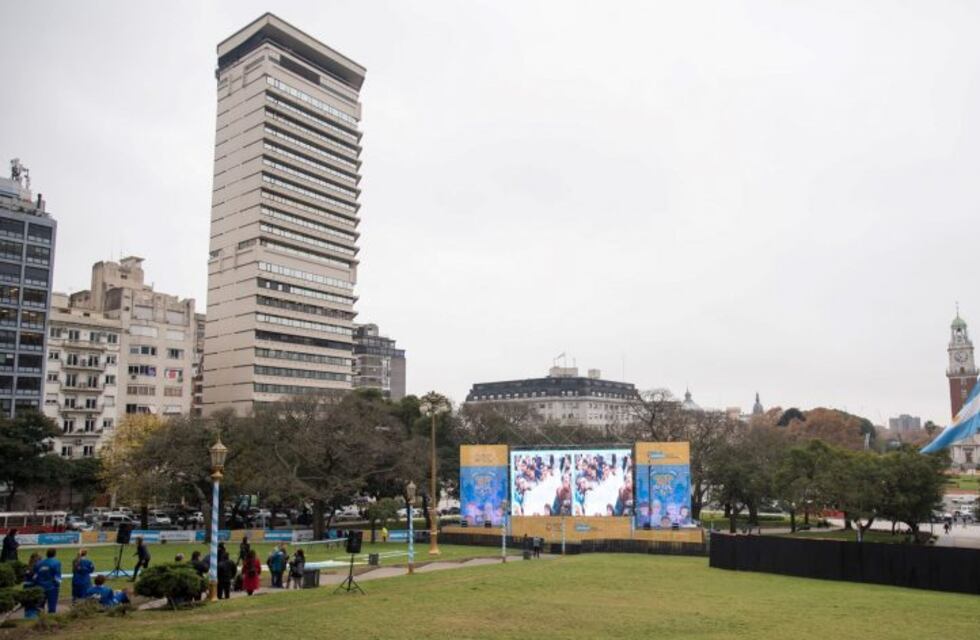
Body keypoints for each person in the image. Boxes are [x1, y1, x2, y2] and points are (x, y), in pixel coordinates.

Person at [32, 548, 62, 614]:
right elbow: (57, 576)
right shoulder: (56, 563)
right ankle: (50, 618)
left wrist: (36, 585)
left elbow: (35, 576)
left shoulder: (39, 563)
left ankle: (40, 618)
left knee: (40, 606)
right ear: (55, 554)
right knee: (52, 607)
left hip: (40, 587)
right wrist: (57, 585)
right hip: (51, 588)